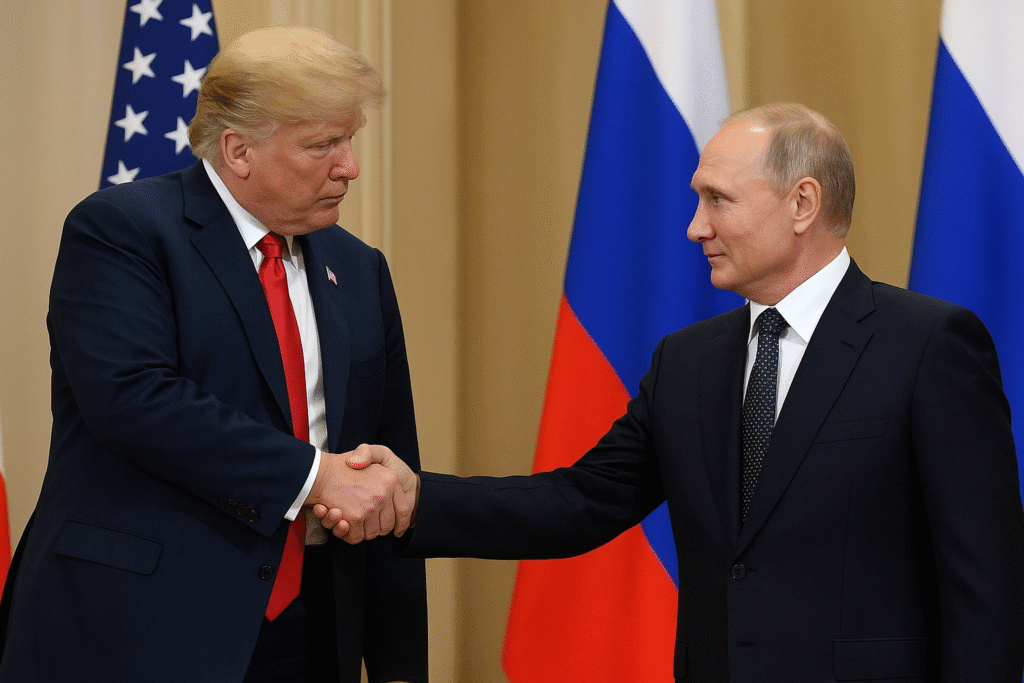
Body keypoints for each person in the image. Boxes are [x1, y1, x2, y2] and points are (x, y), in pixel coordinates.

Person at [327, 103, 1024, 681]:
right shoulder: (689, 362)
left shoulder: (928, 345)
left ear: (803, 203)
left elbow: (986, 585)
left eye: (718, 199)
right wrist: (416, 499)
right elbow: (580, 501)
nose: (696, 227)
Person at [0, 27, 425, 683]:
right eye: (323, 145)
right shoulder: (123, 230)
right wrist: (315, 477)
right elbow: (135, 399)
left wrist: (399, 665)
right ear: (238, 150)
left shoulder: (360, 269)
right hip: (143, 627)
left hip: (313, 631)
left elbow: (386, 470)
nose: (350, 167)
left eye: (350, 140)